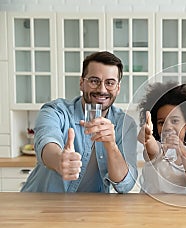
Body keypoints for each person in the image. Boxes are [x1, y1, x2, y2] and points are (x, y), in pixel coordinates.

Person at [21, 51, 138, 193]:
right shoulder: (56, 111)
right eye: (94, 81)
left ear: (118, 88)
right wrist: (59, 160)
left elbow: (125, 186)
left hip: (91, 209)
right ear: (82, 83)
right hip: (44, 204)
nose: (102, 89)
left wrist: (111, 146)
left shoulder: (125, 124)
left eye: (110, 83)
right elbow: (45, 142)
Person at [137, 82, 186, 195]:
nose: (167, 126)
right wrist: (148, 138)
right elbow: (152, 149)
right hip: (150, 210)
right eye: (161, 122)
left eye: (174, 121)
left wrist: (183, 152)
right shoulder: (157, 149)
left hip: (181, 210)